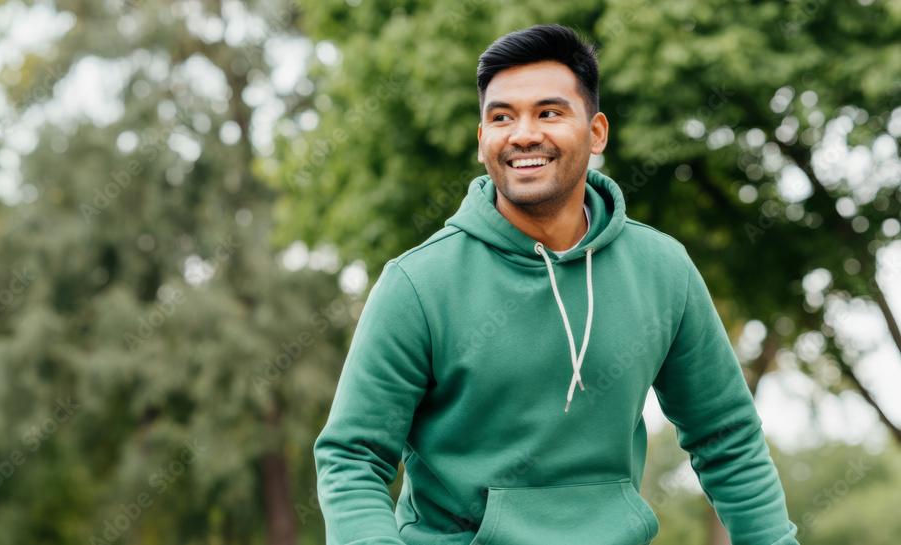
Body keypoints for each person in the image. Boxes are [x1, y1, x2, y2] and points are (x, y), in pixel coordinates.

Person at [313, 23, 799, 545]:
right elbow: (352, 457)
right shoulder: (417, 283)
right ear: (481, 141)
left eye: (549, 112)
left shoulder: (663, 269)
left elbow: (726, 438)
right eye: (501, 117)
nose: (523, 134)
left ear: (596, 133)